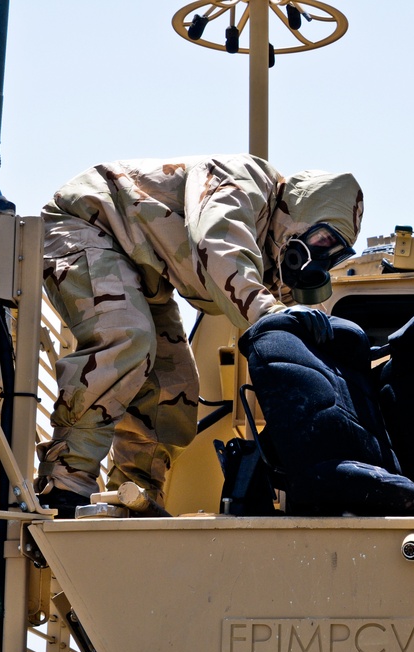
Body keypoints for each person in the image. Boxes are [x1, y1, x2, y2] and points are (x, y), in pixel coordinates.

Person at [34, 154, 363, 517]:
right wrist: (274, 314)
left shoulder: (274, 252)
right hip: (87, 224)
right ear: (298, 210)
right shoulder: (243, 182)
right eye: (321, 238)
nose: (319, 255)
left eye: (334, 253)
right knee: (125, 336)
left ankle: (135, 497)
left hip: (143, 270)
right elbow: (219, 247)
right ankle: (65, 484)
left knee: (174, 389)